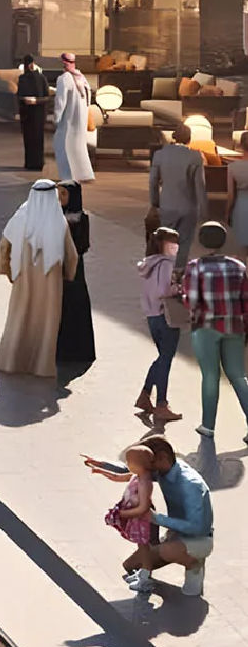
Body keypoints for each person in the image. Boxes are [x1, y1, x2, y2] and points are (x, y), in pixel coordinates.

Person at [107, 436, 212, 598]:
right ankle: (169, 550)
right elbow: (136, 472)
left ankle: (194, 565)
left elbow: (197, 527)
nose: (146, 466)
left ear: (162, 457)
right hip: (174, 533)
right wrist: (103, 466)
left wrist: (155, 518)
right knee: (131, 565)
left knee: (167, 551)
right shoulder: (161, 469)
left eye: (149, 461)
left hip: (198, 538)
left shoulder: (191, 485)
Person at [0, 179, 77, 376]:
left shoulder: (20, 218)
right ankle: (41, 367)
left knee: (19, 318)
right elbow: (71, 255)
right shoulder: (59, 221)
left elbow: (4, 247)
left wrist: (8, 272)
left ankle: (11, 362)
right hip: (50, 282)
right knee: (47, 323)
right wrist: (68, 275)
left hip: (23, 278)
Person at [182, 219, 248, 439]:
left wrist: (181, 295)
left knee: (210, 376)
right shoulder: (239, 267)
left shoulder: (195, 267)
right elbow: (245, 301)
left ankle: (208, 426)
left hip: (206, 327)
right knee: (238, 376)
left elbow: (192, 301)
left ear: (201, 241)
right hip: (234, 326)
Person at [136, 227, 185, 425]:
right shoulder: (165, 264)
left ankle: (145, 394)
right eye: (173, 243)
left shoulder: (148, 264)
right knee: (166, 359)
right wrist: (179, 288)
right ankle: (161, 404)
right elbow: (163, 290)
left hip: (152, 316)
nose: (176, 247)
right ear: (164, 245)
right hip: (166, 315)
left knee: (162, 357)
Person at [151, 125, 207, 279]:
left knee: (166, 240)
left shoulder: (160, 155)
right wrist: (205, 211)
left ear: (174, 137)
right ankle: (179, 272)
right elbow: (200, 186)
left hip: (167, 204)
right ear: (189, 139)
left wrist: (155, 202)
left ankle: (165, 271)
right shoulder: (195, 156)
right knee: (185, 242)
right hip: (189, 207)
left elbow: (153, 182)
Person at [57, 180, 96, 367]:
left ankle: (79, 351)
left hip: (75, 269)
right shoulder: (56, 215)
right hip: (59, 267)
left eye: (64, 194)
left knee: (76, 304)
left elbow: (83, 246)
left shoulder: (81, 218)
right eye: (59, 194)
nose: (60, 198)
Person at [95, 442, 159, 556]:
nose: (127, 464)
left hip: (143, 518)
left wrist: (124, 514)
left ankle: (148, 565)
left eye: (128, 462)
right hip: (135, 515)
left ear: (138, 464)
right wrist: (101, 470)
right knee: (142, 544)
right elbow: (116, 477)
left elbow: (143, 507)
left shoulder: (144, 482)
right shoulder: (136, 475)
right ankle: (146, 561)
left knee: (146, 544)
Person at [53, 52, 94, 184]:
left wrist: (56, 118)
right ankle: (85, 174)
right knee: (80, 147)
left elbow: (61, 101)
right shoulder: (81, 76)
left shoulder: (64, 78)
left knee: (63, 146)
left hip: (68, 119)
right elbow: (88, 99)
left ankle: (68, 176)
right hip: (81, 119)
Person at [14, 56, 51, 172]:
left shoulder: (23, 79)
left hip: (27, 113)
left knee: (29, 138)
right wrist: (37, 101)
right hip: (39, 113)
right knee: (38, 138)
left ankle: (30, 162)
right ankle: (38, 162)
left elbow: (19, 96)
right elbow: (47, 97)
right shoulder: (41, 78)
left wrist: (30, 101)